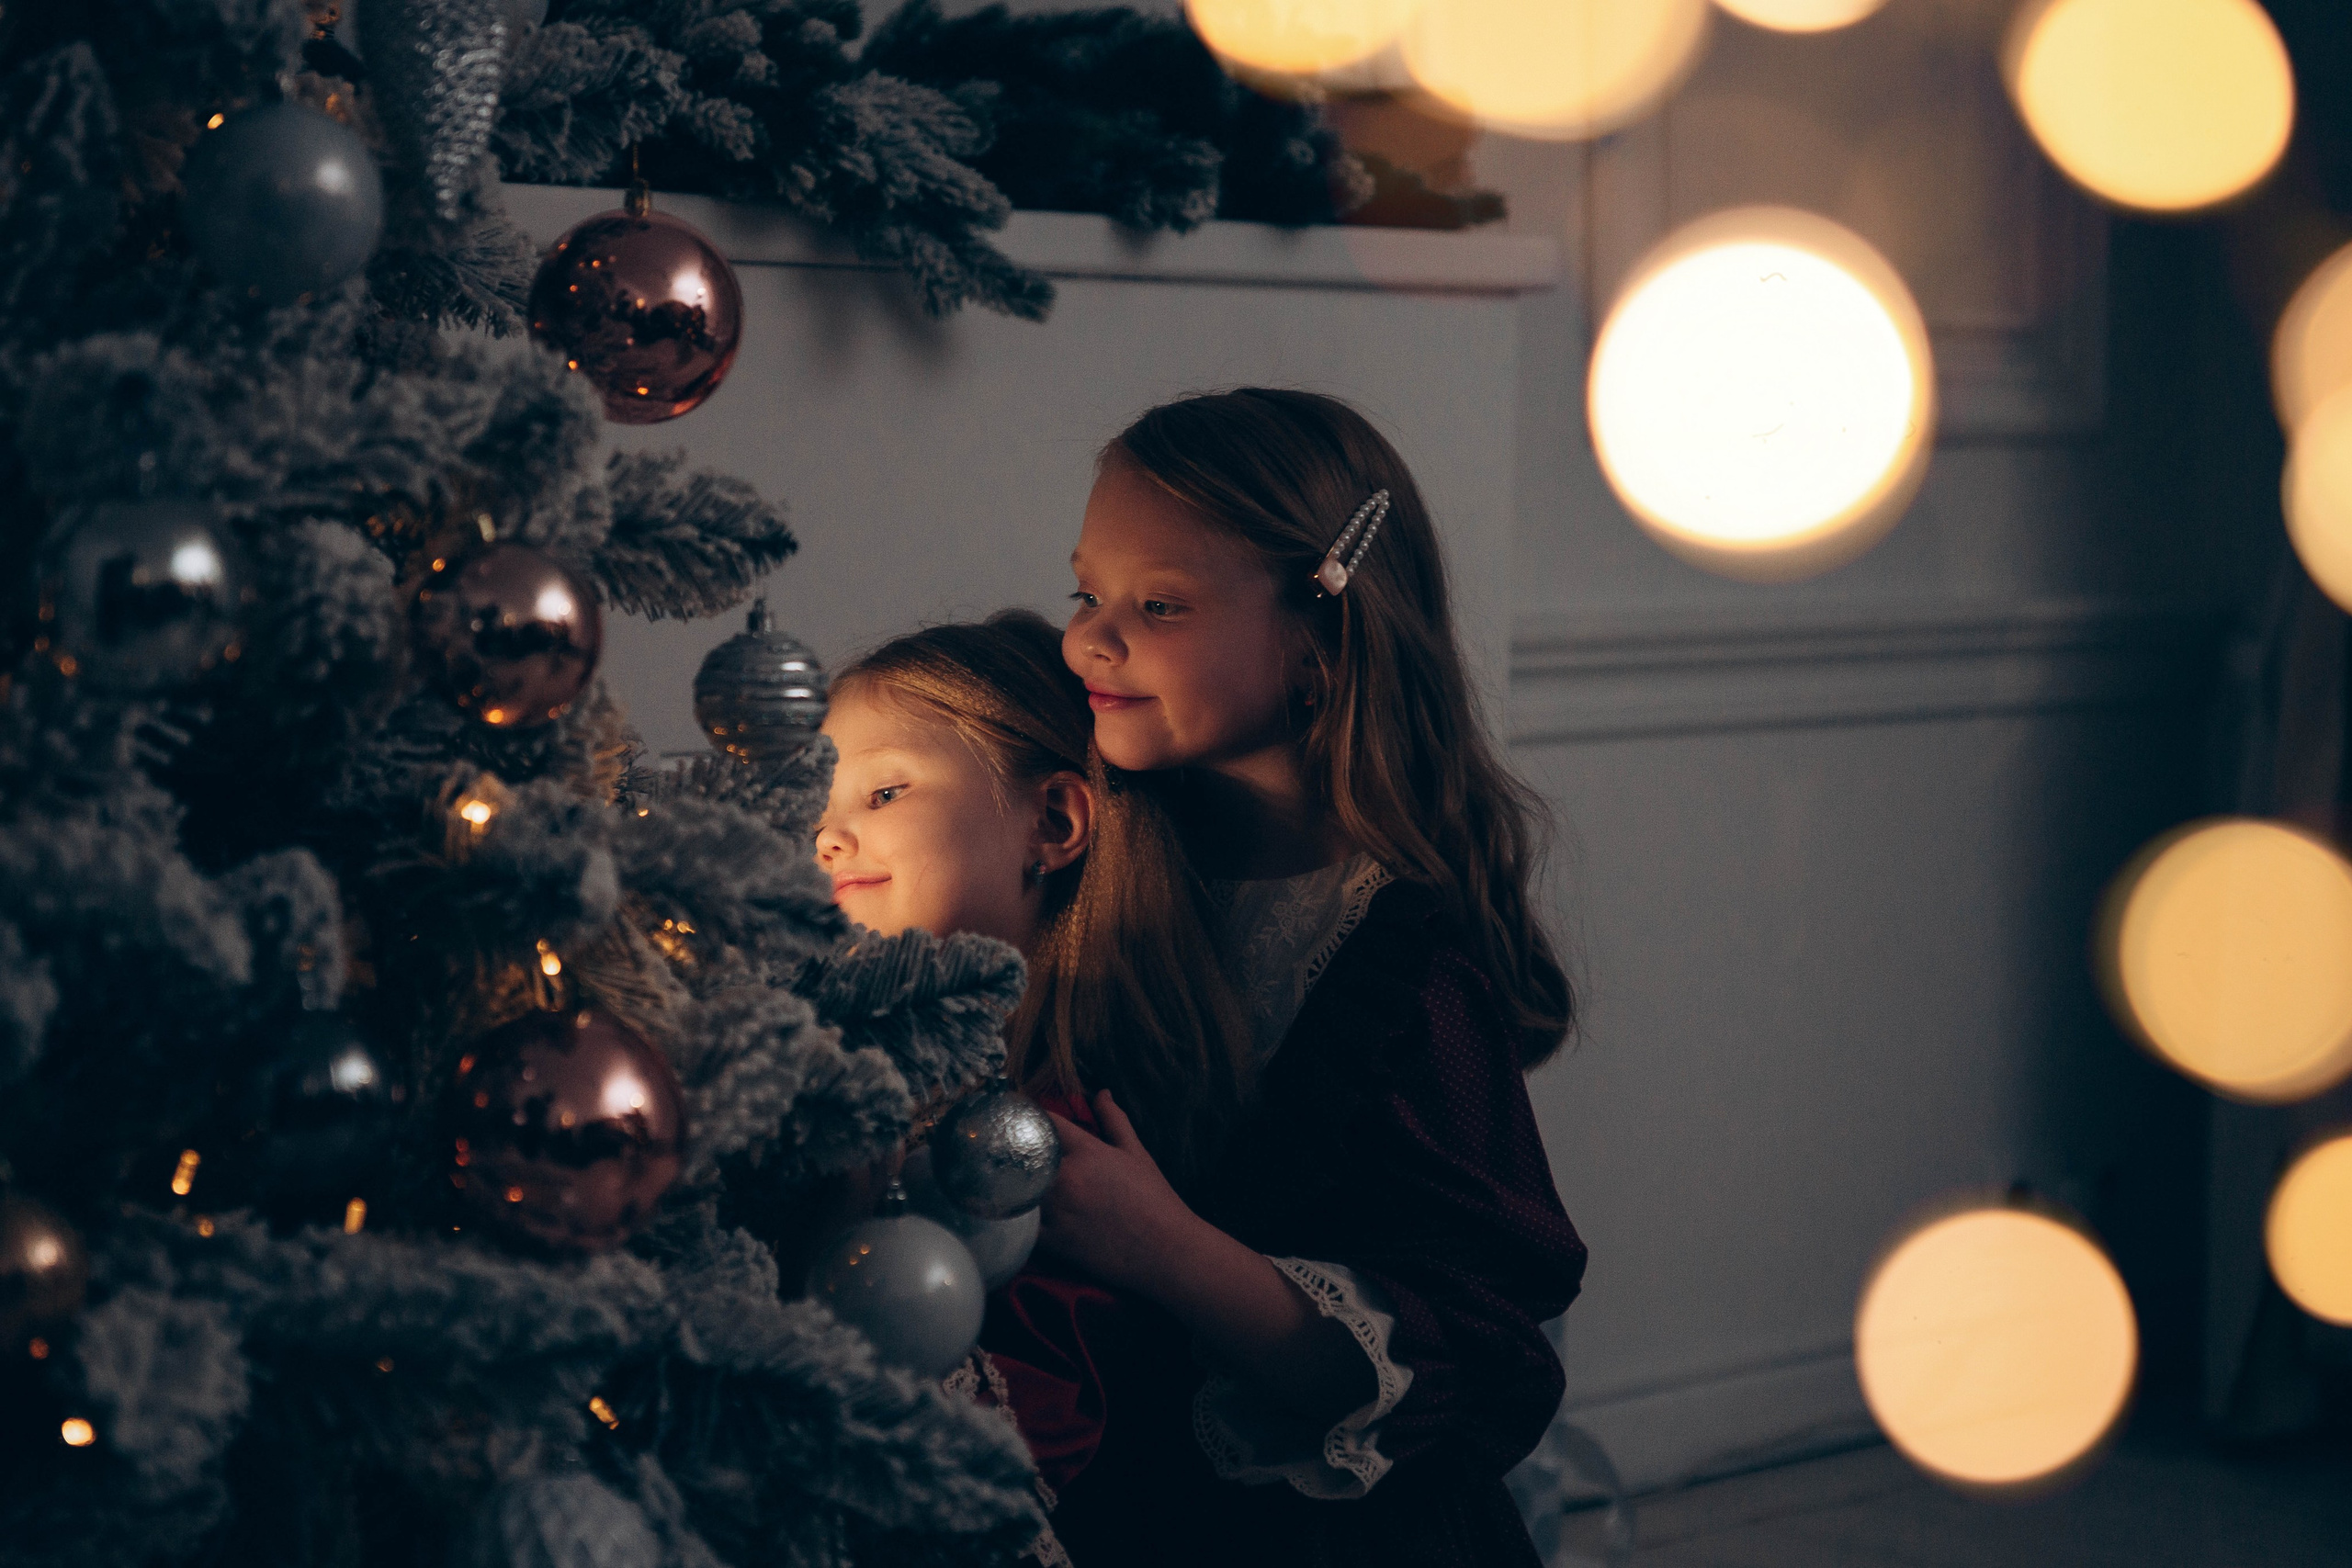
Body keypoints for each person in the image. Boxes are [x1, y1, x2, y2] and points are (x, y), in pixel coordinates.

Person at [1041, 388, 1588, 1567]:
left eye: (1160, 605)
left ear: (1317, 641)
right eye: (1086, 592)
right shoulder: (1092, 859)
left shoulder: (1401, 968)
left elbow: (1471, 1342)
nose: (1089, 638)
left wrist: (1163, 1249)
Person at [811, 612, 1254, 1508]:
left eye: (882, 793)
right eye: (812, 805)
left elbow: (1019, 1435)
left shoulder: (1047, 1139)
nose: (826, 837)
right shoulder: (808, 1061)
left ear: (1051, 820)